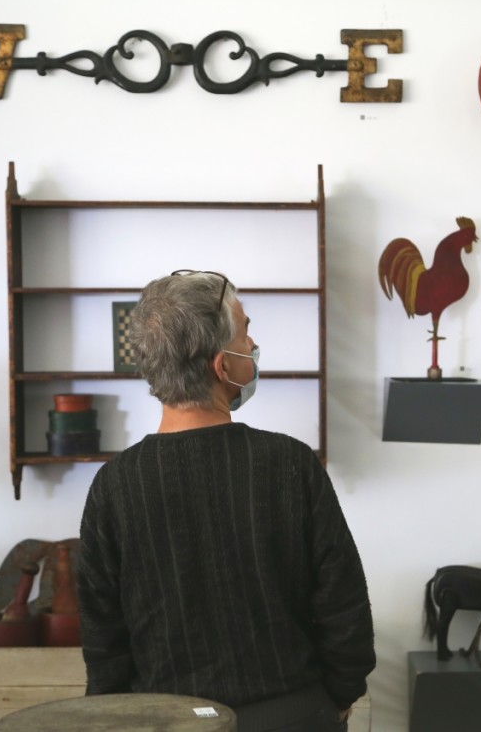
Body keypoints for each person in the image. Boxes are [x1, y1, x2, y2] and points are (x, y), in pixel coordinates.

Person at [77, 270, 375, 732]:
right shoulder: (289, 464)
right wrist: (337, 697)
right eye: (246, 330)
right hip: (293, 715)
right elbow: (344, 607)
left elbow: (103, 639)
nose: (253, 344)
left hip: (164, 722)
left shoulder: (113, 486)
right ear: (222, 366)